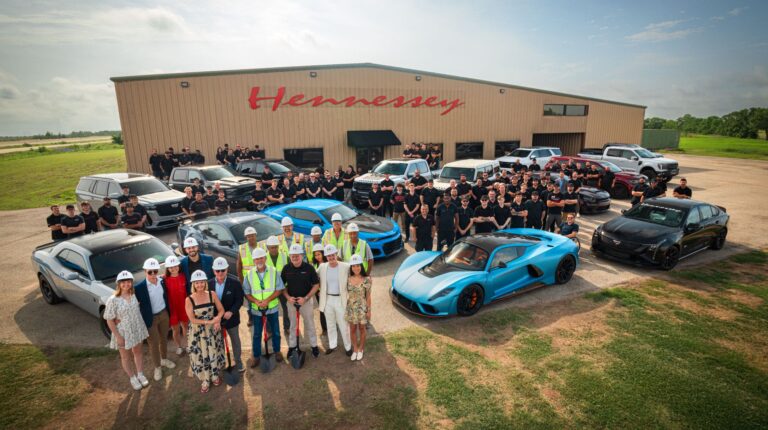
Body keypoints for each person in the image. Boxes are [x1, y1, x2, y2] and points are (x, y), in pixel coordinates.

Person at [103, 270, 150, 391]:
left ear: (131, 283)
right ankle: (132, 378)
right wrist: (118, 336)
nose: (126, 284)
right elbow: (109, 320)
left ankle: (140, 374)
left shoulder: (133, 294)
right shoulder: (113, 299)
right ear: (118, 284)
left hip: (137, 328)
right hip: (123, 332)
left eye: (128, 281)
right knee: (125, 357)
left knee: (138, 352)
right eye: (123, 282)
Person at [134, 258, 176, 381]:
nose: (153, 274)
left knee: (164, 339)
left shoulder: (162, 281)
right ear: (145, 271)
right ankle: (157, 367)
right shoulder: (139, 288)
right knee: (153, 343)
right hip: (150, 318)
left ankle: (164, 359)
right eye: (150, 272)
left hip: (163, 314)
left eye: (155, 271)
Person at [185, 270, 225, 393]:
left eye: (202, 282)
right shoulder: (189, 299)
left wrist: (217, 320)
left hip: (212, 330)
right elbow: (192, 319)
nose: (200, 285)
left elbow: (221, 310)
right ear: (193, 284)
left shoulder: (212, 294)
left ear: (205, 282)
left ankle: (215, 375)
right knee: (202, 354)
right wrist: (208, 322)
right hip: (198, 332)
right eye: (197, 283)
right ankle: (205, 379)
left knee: (213, 352)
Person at [244, 247, 285, 367]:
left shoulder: (273, 271)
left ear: (265, 258)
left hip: (272, 308)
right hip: (257, 310)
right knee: (257, 334)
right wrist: (256, 301)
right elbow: (247, 292)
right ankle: (256, 356)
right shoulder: (249, 274)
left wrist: (267, 300)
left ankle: (277, 351)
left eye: (261, 258)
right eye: (256, 259)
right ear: (254, 261)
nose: (259, 260)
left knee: (275, 332)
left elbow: (279, 289)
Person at [282, 244, 321, 358]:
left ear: (302, 255)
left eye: (297, 255)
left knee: (310, 324)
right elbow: (282, 286)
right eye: (292, 256)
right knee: (293, 326)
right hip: (291, 302)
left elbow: (316, 285)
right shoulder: (286, 268)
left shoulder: (309, 268)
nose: (295, 258)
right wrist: (288, 297)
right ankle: (292, 347)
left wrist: (306, 298)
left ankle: (314, 346)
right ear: (290, 256)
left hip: (306, 302)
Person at [209, 257, 245, 373]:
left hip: (232, 319)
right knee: (219, 342)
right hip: (217, 320)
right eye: (217, 270)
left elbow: (239, 300)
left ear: (227, 269)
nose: (220, 273)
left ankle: (238, 361)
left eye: (223, 270)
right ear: (213, 271)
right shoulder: (208, 284)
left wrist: (232, 311)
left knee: (235, 341)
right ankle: (222, 361)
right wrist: (215, 319)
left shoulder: (235, 283)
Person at [317, 245, 353, 356]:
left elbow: (356, 275)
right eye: (328, 256)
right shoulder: (322, 267)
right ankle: (333, 345)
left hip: (340, 299)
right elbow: (313, 277)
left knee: (343, 324)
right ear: (326, 257)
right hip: (327, 299)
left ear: (336, 254)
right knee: (330, 324)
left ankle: (348, 347)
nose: (331, 257)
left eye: (333, 255)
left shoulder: (346, 266)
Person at [346, 254, 372, 361]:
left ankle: (361, 349)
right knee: (352, 329)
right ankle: (355, 349)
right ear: (351, 267)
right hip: (351, 308)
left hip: (362, 308)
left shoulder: (367, 279)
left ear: (361, 266)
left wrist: (369, 311)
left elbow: (368, 296)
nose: (356, 268)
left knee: (362, 329)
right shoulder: (347, 279)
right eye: (353, 266)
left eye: (358, 265)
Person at [262, 235, 290, 334]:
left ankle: (287, 327)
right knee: (269, 309)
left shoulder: (285, 256)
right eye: (271, 247)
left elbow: (290, 271)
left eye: (275, 247)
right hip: (270, 289)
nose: (274, 249)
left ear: (278, 246)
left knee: (286, 308)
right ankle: (270, 330)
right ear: (267, 248)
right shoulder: (263, 259)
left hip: (283, 288)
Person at [163, 256, 188, 356]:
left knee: (185, 327)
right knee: (175, 329)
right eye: (170, 267)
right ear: (168, 268)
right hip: (173, 309)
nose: (173, 268)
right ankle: (179, 346)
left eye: (175, 266)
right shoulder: (164, 279)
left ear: (178, 266)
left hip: (184, 306)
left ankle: (187, 345)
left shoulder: (183, 276)